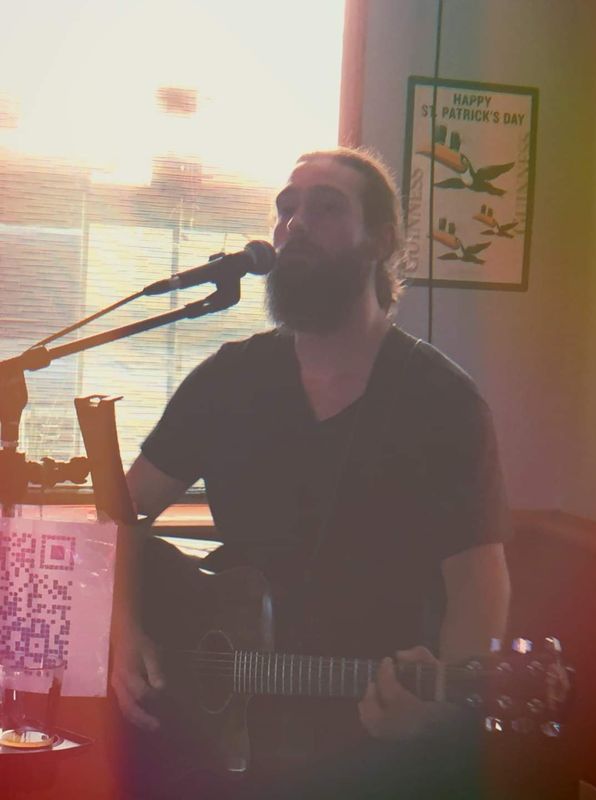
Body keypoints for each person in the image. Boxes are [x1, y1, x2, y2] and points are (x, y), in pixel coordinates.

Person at [110, 146, 512, 798]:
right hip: (219, 734)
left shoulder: (442, 403)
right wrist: (119, 630)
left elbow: (477, 590)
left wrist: (441, 705)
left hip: (368, 741)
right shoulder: (228, 379)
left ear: (381, 241)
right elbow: (115, 514)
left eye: (325, 209)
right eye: (286, 209)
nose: (294, 224)